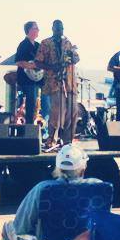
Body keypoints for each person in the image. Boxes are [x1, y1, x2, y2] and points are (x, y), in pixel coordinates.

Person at [2, 143, 103, 240]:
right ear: (83, 169)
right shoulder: (99, 188)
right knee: (70, 233)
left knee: (7, 227)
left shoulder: (43, 189)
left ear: (57, 168)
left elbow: (21, 226)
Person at [35, 19, 79, 149]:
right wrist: (51, 67)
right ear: (53, 29)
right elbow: (37, 62)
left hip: (69, 82)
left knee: (73, 111)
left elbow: (76, 58)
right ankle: (51, 140)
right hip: (54, 81)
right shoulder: (45, 43)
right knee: (57, 113)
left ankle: (68, 141)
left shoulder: (67, 42)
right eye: (58, 28)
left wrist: (73, 56)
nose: (60, 31)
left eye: (62, 28)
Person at [14, 20, 44, 126]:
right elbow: (18, 61)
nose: (38, 30)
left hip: (39, 79)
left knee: (43, 102)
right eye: (36, 28)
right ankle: (29, 127)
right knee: (30, 103)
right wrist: (32, 66)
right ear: (29, 30)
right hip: (26, 80)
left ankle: (42, 125)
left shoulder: (38, 45)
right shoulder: (23, 45)